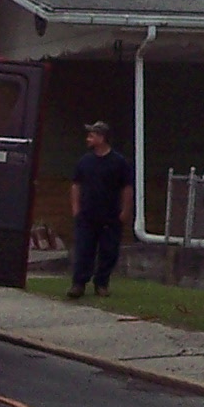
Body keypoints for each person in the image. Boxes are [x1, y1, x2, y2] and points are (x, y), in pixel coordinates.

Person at [67, 121, 132, 297]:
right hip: (87, 215)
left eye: (92, 136)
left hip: (110, 215)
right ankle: (78, 284)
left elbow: (127, 188)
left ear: (102, 138)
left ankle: (101, 284)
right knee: (83, 249)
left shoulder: (119, 162)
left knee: (109, 251)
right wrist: (76, 208)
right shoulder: (84, 161)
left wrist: (125, 211)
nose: (88, 139)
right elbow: (76, 185)